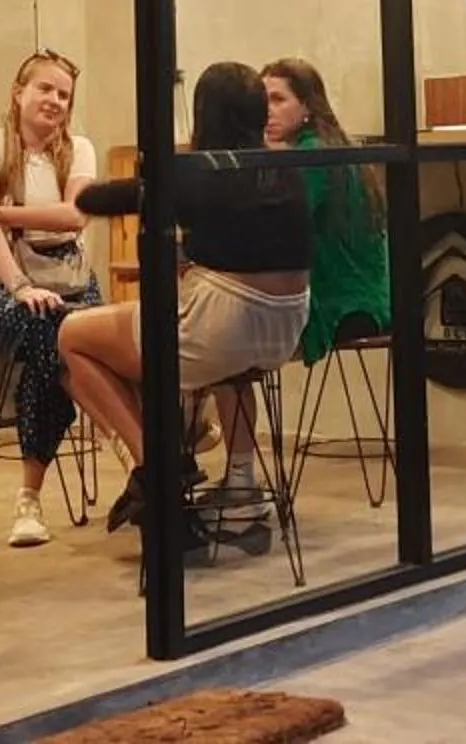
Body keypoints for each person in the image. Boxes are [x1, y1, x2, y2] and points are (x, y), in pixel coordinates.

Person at [62, 62, 312, 542]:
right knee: (227, 370)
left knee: (73, 336)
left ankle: (155, 467)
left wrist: (161, 168)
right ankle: (241, 483)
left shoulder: (200, 174)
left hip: (223, 325)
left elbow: (94, 200)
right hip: (284, 328)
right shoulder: (286, 170)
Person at [0, 49, 102, 549]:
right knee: (50, 333)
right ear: (18, 92)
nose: (55, 100)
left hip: (73, 286)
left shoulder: (79, 149)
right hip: (1, 288)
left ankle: (30, 500)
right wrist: (21, 286)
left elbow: (75, 216)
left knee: (56, 346)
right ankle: (131, 450)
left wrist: (4, 213)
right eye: (45, 88)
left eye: (64, 94)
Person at [264, 59, 388, 366]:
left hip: (337, 308)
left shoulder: (311, 156)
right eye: (262, 101)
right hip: (372, 301)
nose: (267, 111)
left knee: (219, 343)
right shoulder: (335, 146)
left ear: (307, 105)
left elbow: (276, 229)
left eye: (278, 99)